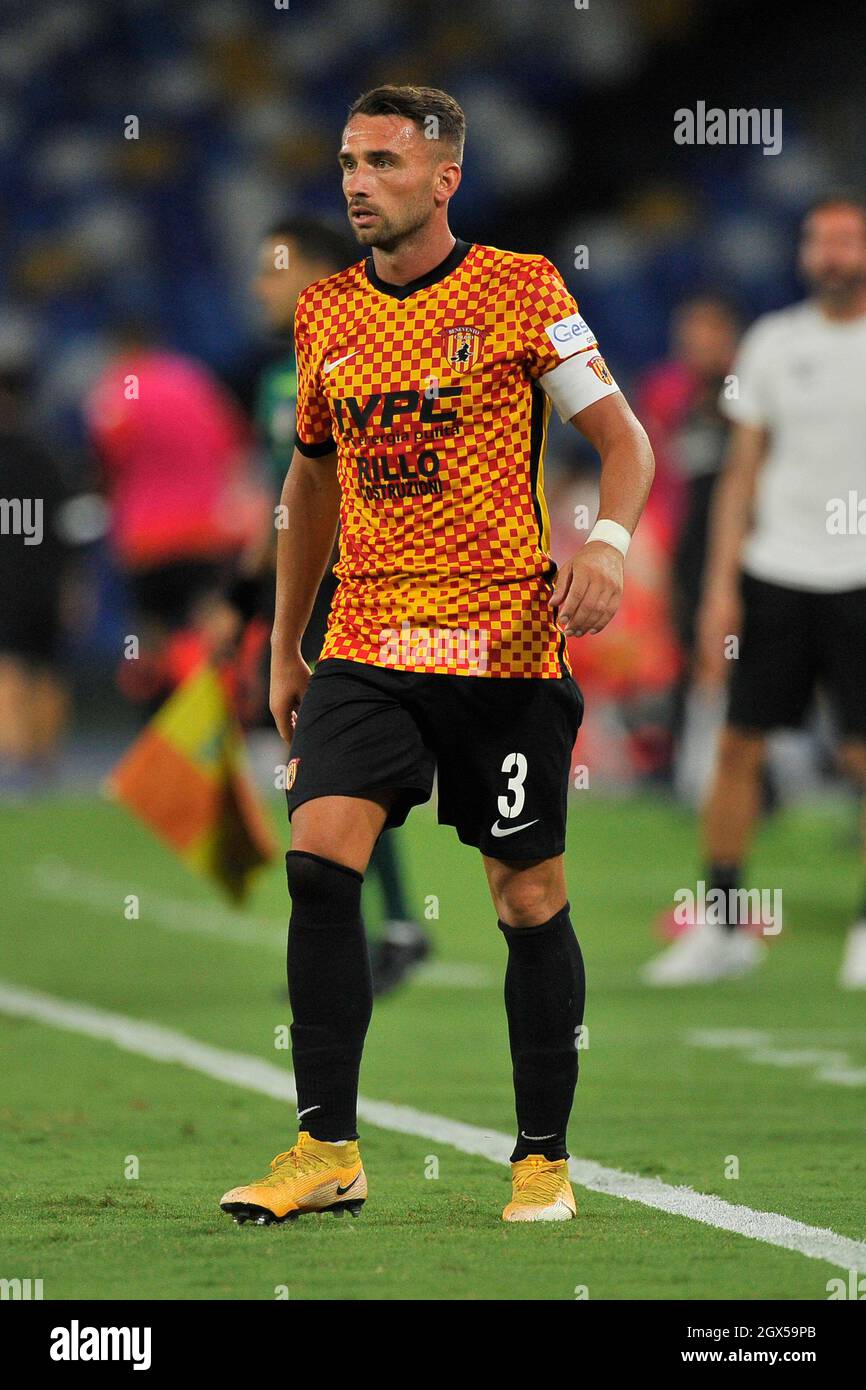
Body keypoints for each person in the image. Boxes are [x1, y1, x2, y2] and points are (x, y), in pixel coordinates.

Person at [220, 84, 653, 1226]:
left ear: (443, 178)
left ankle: (541, 1159)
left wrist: (604, 543)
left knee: (527, 899)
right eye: (348, 162)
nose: (358, 182)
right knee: (317, 863)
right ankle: (326, 1147)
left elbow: (623, 441)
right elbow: (309, 478)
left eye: (383, 163)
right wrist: (286, 641)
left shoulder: (520, 291)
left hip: (505, 646)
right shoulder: (324, 314)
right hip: (367, 638)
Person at [643, 195, 866, 988]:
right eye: (819, 240)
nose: (832, 253)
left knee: (859, 754)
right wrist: (718, 593)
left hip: (859, 578)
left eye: (846, 239)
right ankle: (725, 923)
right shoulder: (774, 343)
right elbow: (741, 473)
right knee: (737, 746)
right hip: (776, 571)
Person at [244, 215, 429, 995]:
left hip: (347, 583)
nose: (261, 285)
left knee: (328, 763)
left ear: (317, 270)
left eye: (274, 268)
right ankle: (390, 923)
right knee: (331, 764)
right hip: (317, 579)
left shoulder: (324, 359)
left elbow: (309, 496)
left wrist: (241, 597)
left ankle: (363, 930)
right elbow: (282, 497)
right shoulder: (279, 366)